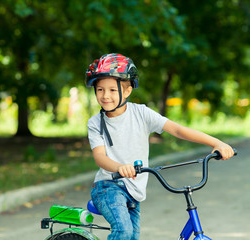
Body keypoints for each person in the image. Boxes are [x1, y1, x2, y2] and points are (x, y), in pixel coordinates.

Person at [85, 53, 234, 240]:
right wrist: (119, 168)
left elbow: (177, 130)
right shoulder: (95, 122)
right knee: (123, 232)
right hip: (108, 186)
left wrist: (216, 143)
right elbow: (100, 157)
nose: (105, 96)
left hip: (134, 190)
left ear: (128, 91)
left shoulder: (141, 113)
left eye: (112, 90)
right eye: (100, 90)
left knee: (132, 237)